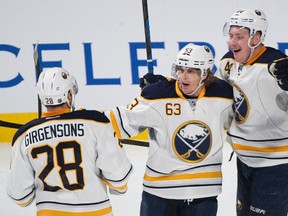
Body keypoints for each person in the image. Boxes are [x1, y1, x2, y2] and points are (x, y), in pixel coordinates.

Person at [107, 43, 234, 216]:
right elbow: (115, 123)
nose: (183, 76)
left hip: (204, 194)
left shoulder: (224, 95)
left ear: (204, 73)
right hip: (159, 194)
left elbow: (244, 127)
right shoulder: (157, 95)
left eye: (190, 71)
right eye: (180, 70)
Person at [6, 67, 133, 216]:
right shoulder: (96, 122)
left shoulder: (24, 136)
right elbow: (119, 179)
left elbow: (20, 196)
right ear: (69, 96)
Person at [216, 9, 288, 216]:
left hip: (275, 165)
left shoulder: (277, 66)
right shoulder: (227, 62)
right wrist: (165, 86)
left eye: (239, 37)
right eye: (230, 35)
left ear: (256, 37)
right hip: (245, 161)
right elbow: (211, 91)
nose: (232, 42)